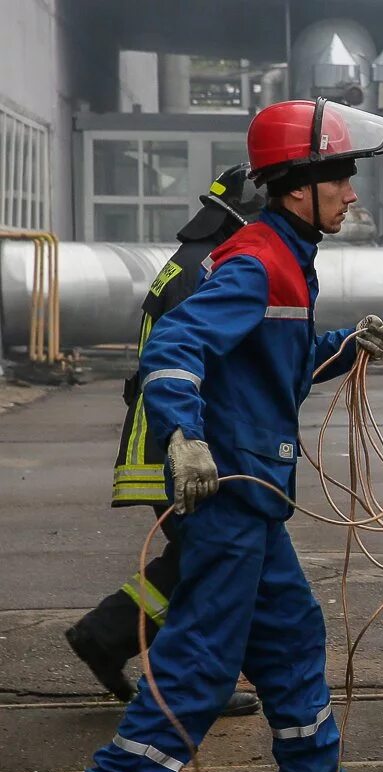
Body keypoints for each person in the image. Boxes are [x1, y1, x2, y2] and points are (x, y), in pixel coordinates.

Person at [57, 99, 383, 772]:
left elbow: (272, 361)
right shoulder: (258, 259)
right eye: (341, 179)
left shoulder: (286, 253)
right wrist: (184, 435)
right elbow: (178, 346)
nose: (352, 194)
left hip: (255, 494)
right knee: (199, 664)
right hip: (229, 495)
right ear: (297, 187)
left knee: (290, 640)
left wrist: (350, 348)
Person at [66, 164, 265, 717]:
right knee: (214, 564)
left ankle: (105, 635)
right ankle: (193, 681)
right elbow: (194, 360)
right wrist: (193, 438)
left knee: (195, 560)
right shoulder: (209, 268)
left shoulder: (194, 260)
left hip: (171, 434)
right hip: (180, 440)